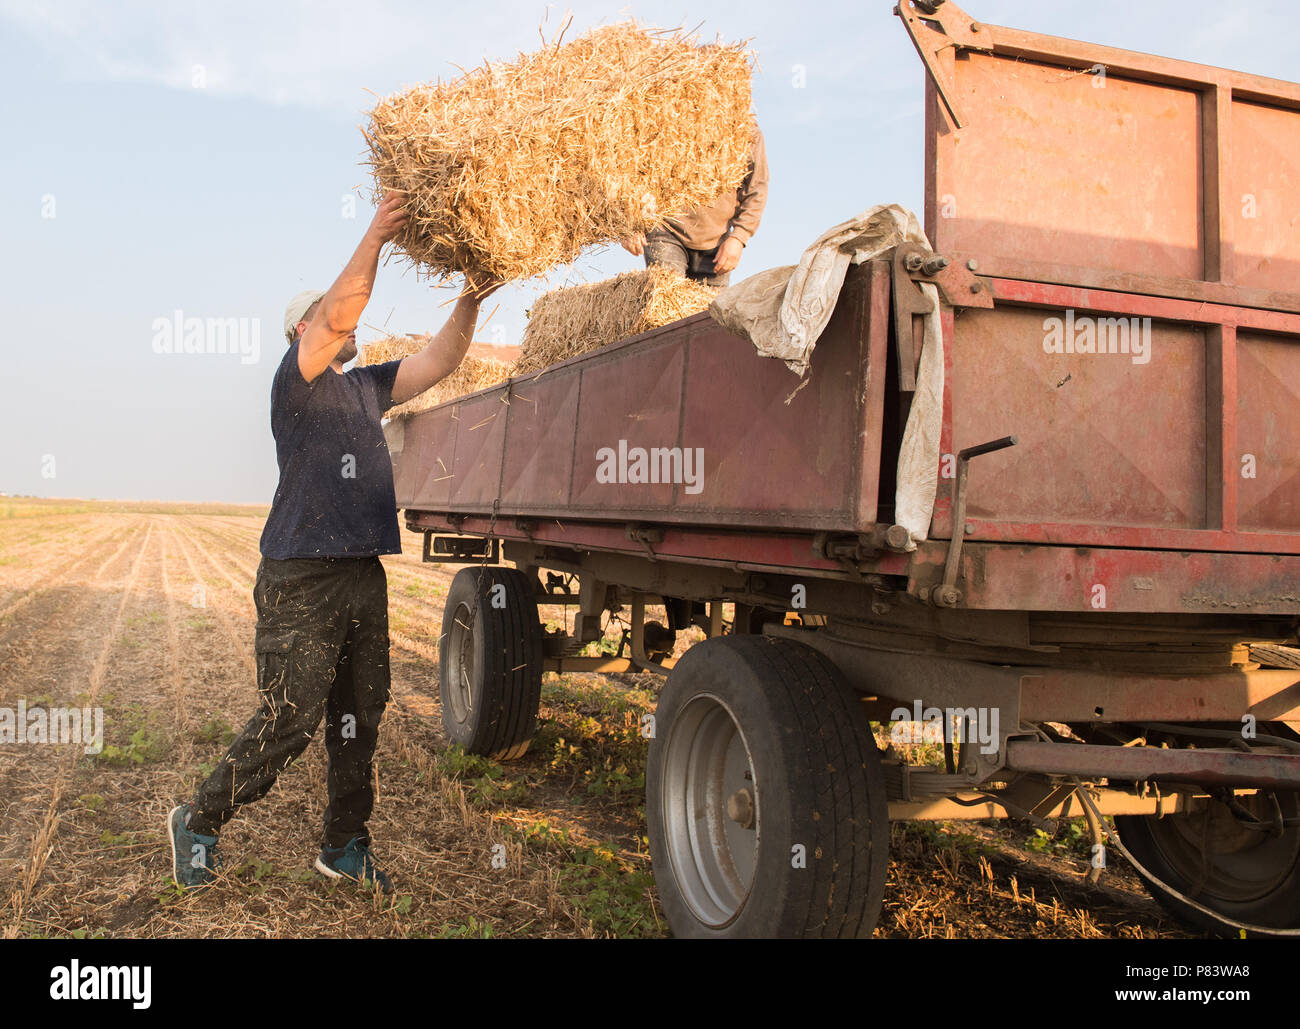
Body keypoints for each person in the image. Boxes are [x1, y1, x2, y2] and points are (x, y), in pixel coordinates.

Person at [167, 191, 501, 892]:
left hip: (361, 574)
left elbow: (441, 359)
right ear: (303, 331)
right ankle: (198, 819)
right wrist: (378, 232)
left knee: (360, 717)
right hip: (301, 576)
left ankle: (343, 844)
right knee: (291, 716)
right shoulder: (296, 384)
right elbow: (340, 312)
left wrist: (473, 296)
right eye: (326, 316)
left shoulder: (366, 388)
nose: (348, 323)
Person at [622, 122, 769, 288]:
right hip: (666, 230)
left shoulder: (747, 128)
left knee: (710, 313)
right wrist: (628, 223)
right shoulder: (662, 110)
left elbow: (757, 187)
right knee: (668, 304)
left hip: (717, 241)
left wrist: (739, 238)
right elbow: (625, 169)